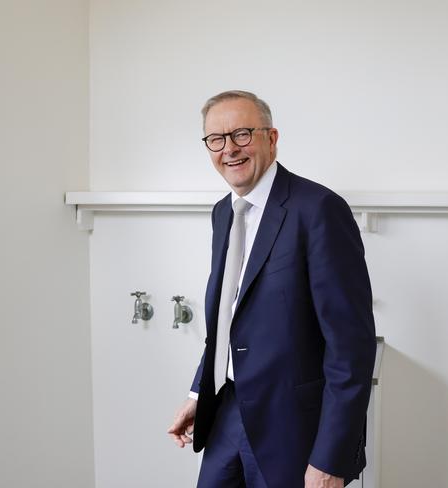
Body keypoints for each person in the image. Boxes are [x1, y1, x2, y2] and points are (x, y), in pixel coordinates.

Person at [167, 90, 376, 488]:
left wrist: (331, 457)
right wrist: (199, 393)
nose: (229, 149)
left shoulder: (319, 210)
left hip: (295, 429)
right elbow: (229, 318)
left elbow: (351, 347)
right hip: (226, 414)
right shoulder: (223, 212)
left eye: (242, 134)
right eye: (217, 139)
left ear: (271, 137)